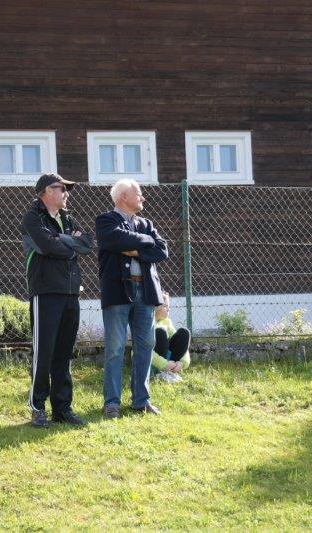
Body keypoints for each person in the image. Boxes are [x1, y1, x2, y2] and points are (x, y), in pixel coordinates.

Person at [21, 173, 93, 428]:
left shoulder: (67, 218)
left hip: (71, 292)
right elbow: (47, 247)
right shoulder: (33, 218)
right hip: (46, 292)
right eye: (61, 188)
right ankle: (38, 407)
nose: (66, 193)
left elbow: (87, 243)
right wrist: (70, 244)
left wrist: (63, 240)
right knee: (44, 353)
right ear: (47, 191)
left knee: (64, 353)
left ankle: (62, 409)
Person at [96, 178, 168, 418]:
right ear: (124, 196)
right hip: (118, 291)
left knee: (145, 345)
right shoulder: (105, 221)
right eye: (138, 193)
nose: (143, 197)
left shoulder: (146, 223)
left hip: (145, 292)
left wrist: (136, 249)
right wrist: (146, 242)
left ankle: (141, 401)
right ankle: (112, 403)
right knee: (115, 348)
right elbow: (115, 239)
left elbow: (162, 250)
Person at [150, 291, 191, 383]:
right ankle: (159, 372)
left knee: (184, 332)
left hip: (168, 361)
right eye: (165, 306)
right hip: (153, 363)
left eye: (169, 306)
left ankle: (171, 371)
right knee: (160, 332)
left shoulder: (167, 321)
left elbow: (181, 345)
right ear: (155, 307)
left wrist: (183, 363)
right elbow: (145, 351)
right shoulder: (146, 323)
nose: (168, 309)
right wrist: (164, 364)